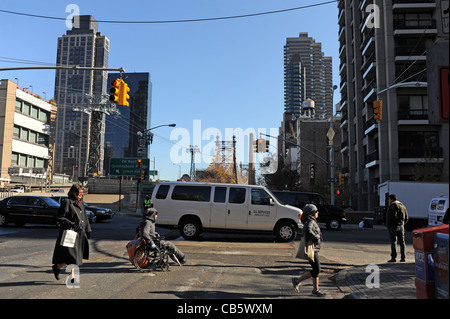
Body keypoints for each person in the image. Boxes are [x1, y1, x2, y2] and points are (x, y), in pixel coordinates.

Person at [51, 184, 92, 280]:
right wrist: (71, 224)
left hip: (79, 234)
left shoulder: (81, 204)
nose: (80, 195)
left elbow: (85, 218)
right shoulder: (67, 202)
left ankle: (57, 267)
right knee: (72, 256)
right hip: (69, 233)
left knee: (74, 256)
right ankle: (72, 276)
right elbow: (60, 217)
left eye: (82, 193)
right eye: (79, 193)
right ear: (73, 192)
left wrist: (88, 230)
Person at [291, 204, 326, 297]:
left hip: (313, 249)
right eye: (316, 211)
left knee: (315, 269)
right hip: (312, 249)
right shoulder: (311, 221)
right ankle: (297, 280)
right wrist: (316, 238)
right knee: (317, 270)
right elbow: (308, 230)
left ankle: (316, 290)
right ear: (312, 213)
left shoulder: (309, 220)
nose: (318, 212)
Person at [385, 194, 408, 262]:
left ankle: (393, 257)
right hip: (401, 226)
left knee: (393, 242)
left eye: (389, 199)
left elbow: (389, 217)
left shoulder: (392, 206)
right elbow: (406, 217)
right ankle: (403, 257)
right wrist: (403, 223)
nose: (388, 201)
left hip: (393, 226)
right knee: (402, 242)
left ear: (392, 199)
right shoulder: (402, 206)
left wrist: (388, 225)